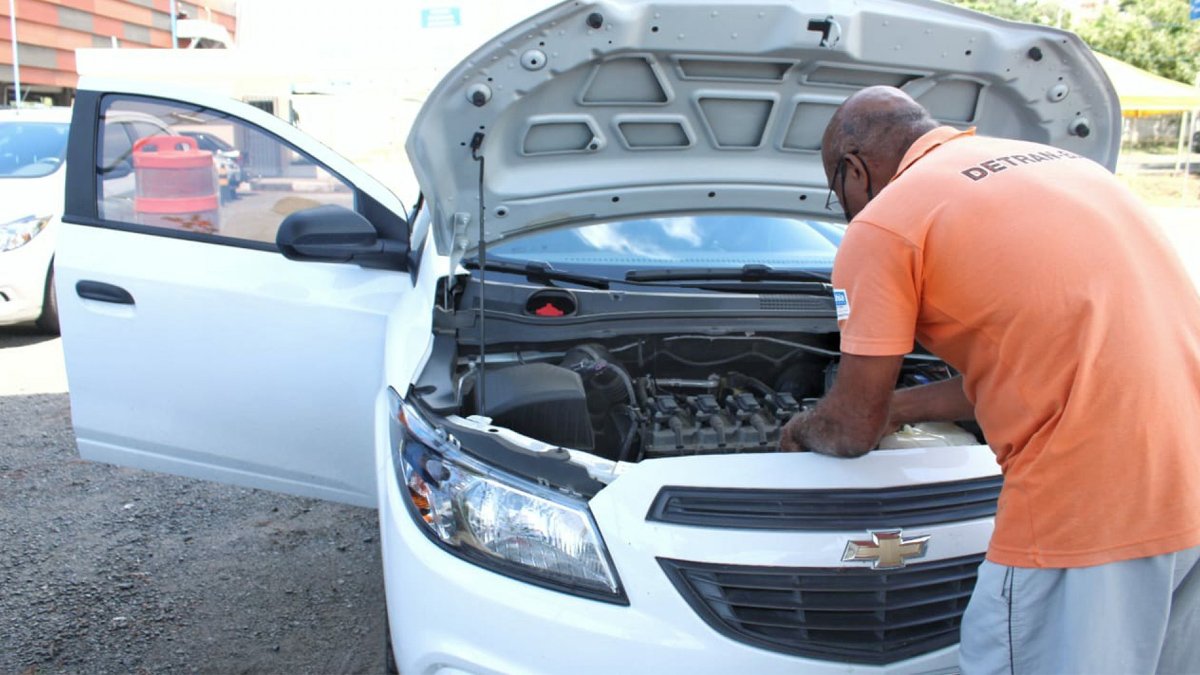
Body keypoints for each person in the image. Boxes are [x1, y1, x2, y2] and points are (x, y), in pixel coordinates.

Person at [780, 85, 1200, 674]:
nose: (848, 210)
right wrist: (900, 407)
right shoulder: (1070, 169)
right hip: (1187, 491)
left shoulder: (885, 224)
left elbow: (849, 430)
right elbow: (1055, 360)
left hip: (1086, 514)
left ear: (854, 169)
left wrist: (801, 429)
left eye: (837, 193)